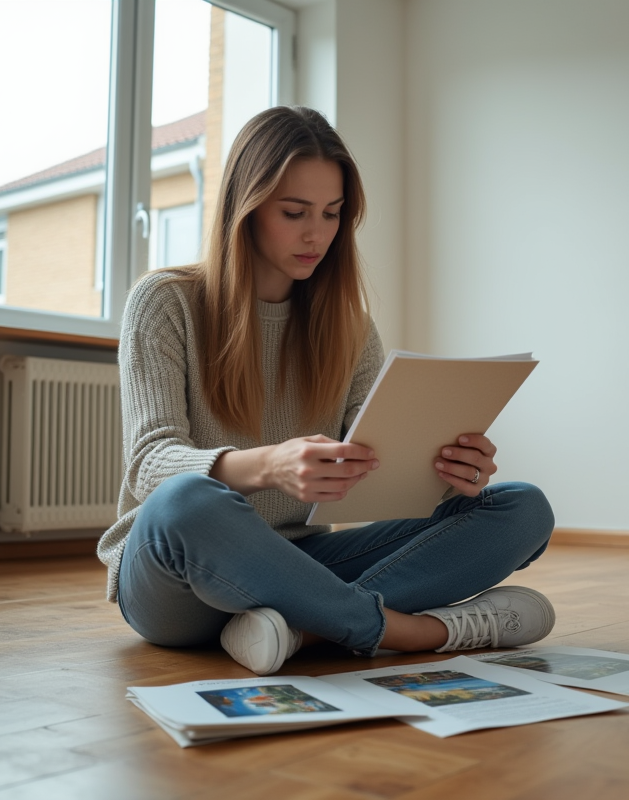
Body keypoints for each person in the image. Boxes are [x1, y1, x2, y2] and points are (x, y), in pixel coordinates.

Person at [97, 106, 556, 676]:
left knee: (522, 506)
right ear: (246, 208)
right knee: (183, 501)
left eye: (333, 214)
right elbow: (150, 462)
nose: (317, 234)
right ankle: (412, 631)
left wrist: (445, 475)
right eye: (294, 213)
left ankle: (302, 630)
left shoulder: (348, 325)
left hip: (297, 566)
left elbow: (376, 468)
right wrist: (269, 466)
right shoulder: (165, 302)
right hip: (179, 577)